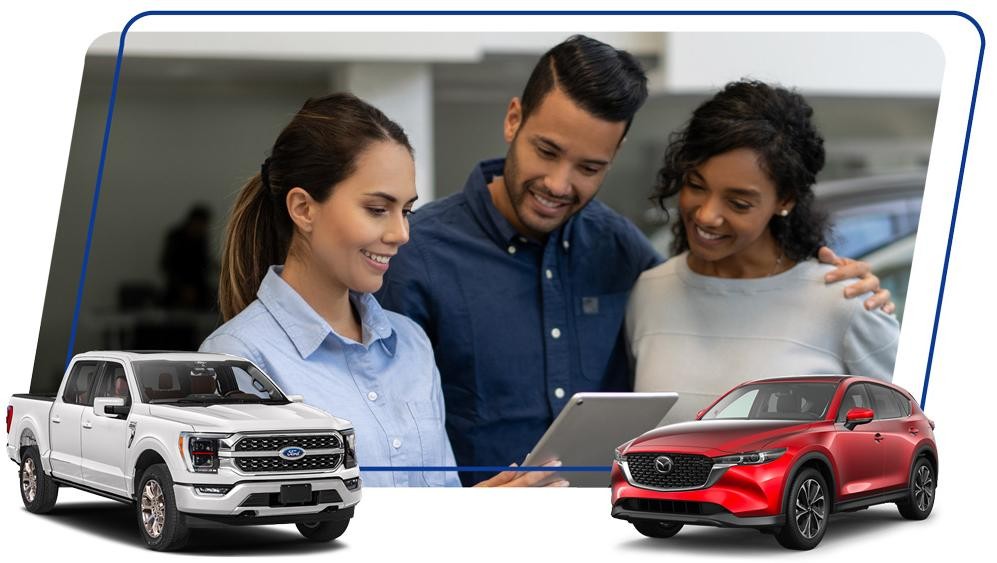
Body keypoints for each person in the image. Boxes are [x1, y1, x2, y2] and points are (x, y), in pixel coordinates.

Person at [376, 36, 891, 486]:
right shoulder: (412, 256)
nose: (559, 184)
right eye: (547, 151)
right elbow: (384, 438)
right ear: (513, 120)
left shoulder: (625, 257)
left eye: (590, 166)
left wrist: (842, 290)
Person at [199, 93, 560, 487]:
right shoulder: (236, 361)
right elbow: (272, 535)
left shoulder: (412, 343)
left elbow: (439, 511)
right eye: (377, 209)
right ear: (303, 208)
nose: (401, 234)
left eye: (405, 211)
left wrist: (477, 509)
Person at [626, 80, 901, 423]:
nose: (707, 215)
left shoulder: (843, 302)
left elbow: (916, 432)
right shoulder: (650, 291)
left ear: (784, 200)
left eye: (739, 203)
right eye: (696, 186)